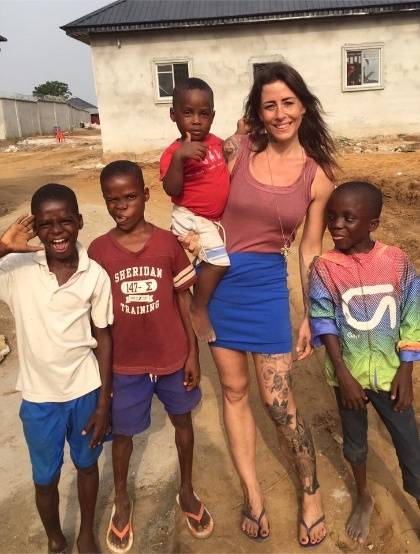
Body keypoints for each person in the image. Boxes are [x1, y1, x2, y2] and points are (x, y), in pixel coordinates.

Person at [183, 62, 336, 545]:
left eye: (288, 102)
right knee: (233, 392)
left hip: (267, 289)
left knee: (278, 402)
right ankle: (253, 493)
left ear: (303, 106)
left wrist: (312, 312)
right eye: (269, 105)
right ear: (258, 111)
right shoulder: (237, 150)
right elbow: (193, 193)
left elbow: (310, 248)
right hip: (218, 286)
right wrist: (188, 235)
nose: (279, 113)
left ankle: (311, 494)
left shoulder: (318, 177)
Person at [88, 160, 214, 553]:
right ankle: (122, 498)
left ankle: (187, 490)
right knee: (123, 435)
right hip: (125, 364)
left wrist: (192, 354)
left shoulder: (166, 244)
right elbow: (95, 316)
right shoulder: (98, 251)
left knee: (183, 423)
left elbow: (183, 299)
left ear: (145, 195)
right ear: (105, 201)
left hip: (172, 357)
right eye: (113, 200)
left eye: (129, 197)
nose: (121, 206)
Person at [0, 183, 113, 553]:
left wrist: (104, 402)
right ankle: (55, 537)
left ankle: (86, 533)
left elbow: (104, 337)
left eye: (65, 221)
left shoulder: (94, 274)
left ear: (79, 221)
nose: (57, 231)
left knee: (87, 465)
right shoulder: (16, 269)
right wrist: (3, 246)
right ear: (35, 228)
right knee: (45, 478)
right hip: (39, 400)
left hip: (85, 392)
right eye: (45, 224)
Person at [309, 181, 420, 544]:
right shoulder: (325, 267)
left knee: (410, 443)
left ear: (372, 223)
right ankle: (363, 496)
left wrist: (406, 368)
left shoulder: (396, 261)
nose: (336, 225)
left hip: (391, 376)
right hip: (350, 377)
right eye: (331, 217)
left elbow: (412, 314)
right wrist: (343, 375)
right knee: (355, 442)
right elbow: (323, 320)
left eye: (348, 218)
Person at [160, 77, 231, 343]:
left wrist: (241, 133)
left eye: (204, 114)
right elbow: (171, 189)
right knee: (219, 261)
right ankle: (198, 308)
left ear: (212, 115)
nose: (196, 121)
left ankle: (187, 284)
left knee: (205, 259)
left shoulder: (217, 143)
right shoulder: (173, 152)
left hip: (211, 220)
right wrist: (180, 157)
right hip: (190, 216)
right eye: (188, 113)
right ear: (173, 115)